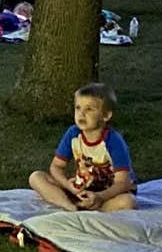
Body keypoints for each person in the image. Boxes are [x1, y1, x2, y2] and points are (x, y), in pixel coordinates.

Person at [29, 83, 137, 212]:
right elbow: (56, 166)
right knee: (36, 177)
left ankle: (95, 208)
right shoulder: (73, 134)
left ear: (106, 115)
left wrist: (100, 197)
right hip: (81, 189)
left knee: (128, 201)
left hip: (108, 194)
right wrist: (68, 186)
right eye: (78, 108)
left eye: (89, 109)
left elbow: (123, 182)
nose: (81, 114)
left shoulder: (114, 141)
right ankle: (70, 207)